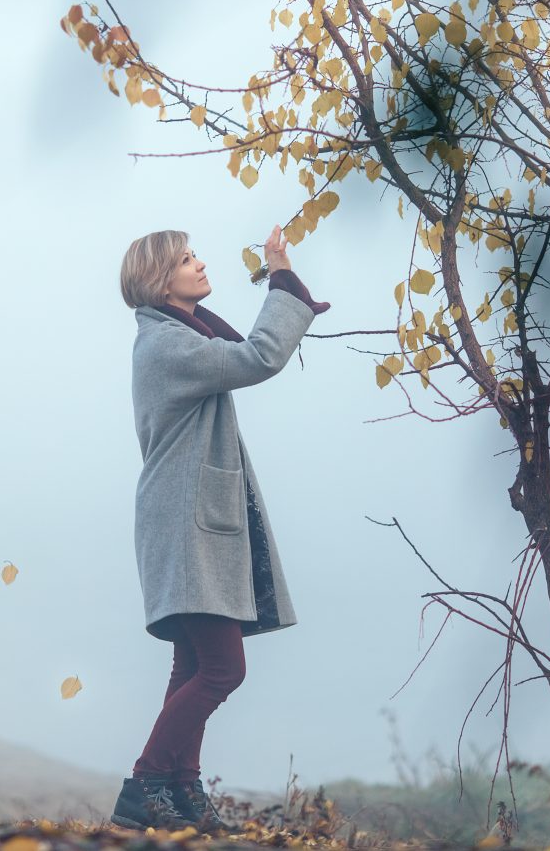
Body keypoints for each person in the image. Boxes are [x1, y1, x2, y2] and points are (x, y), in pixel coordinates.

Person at [110, 225, 330, 834]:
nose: (201, 265)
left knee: (193, 662)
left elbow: (247, 351)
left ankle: (181, 790)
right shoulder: (167, 347)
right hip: (185, 523)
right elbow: (260, 356)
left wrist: (287, 295)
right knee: (222, 669)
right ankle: (145, 781)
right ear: (161, 280)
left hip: (184, 517)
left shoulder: (178, 336)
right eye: (186, 260)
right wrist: (281, 274)